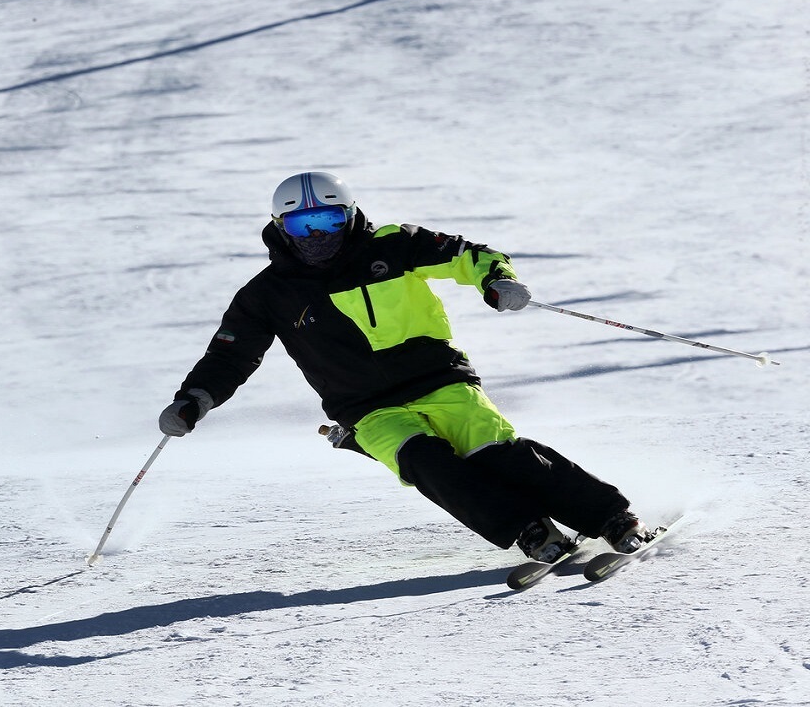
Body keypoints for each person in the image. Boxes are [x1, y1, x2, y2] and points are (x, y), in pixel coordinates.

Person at [158, 171, 654, 563]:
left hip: (440, 379)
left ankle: (611, 518)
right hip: (365, 408)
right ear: (280, 228)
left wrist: (496, 281)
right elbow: (231, 353)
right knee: (426, 463)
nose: (316, 236)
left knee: (496, 453)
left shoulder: (393, 245)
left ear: (348, 215)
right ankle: (529, 530)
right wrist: (194, 399)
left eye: (327, 222)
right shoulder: (267, 294)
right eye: (301, 226)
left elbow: (470, 256)